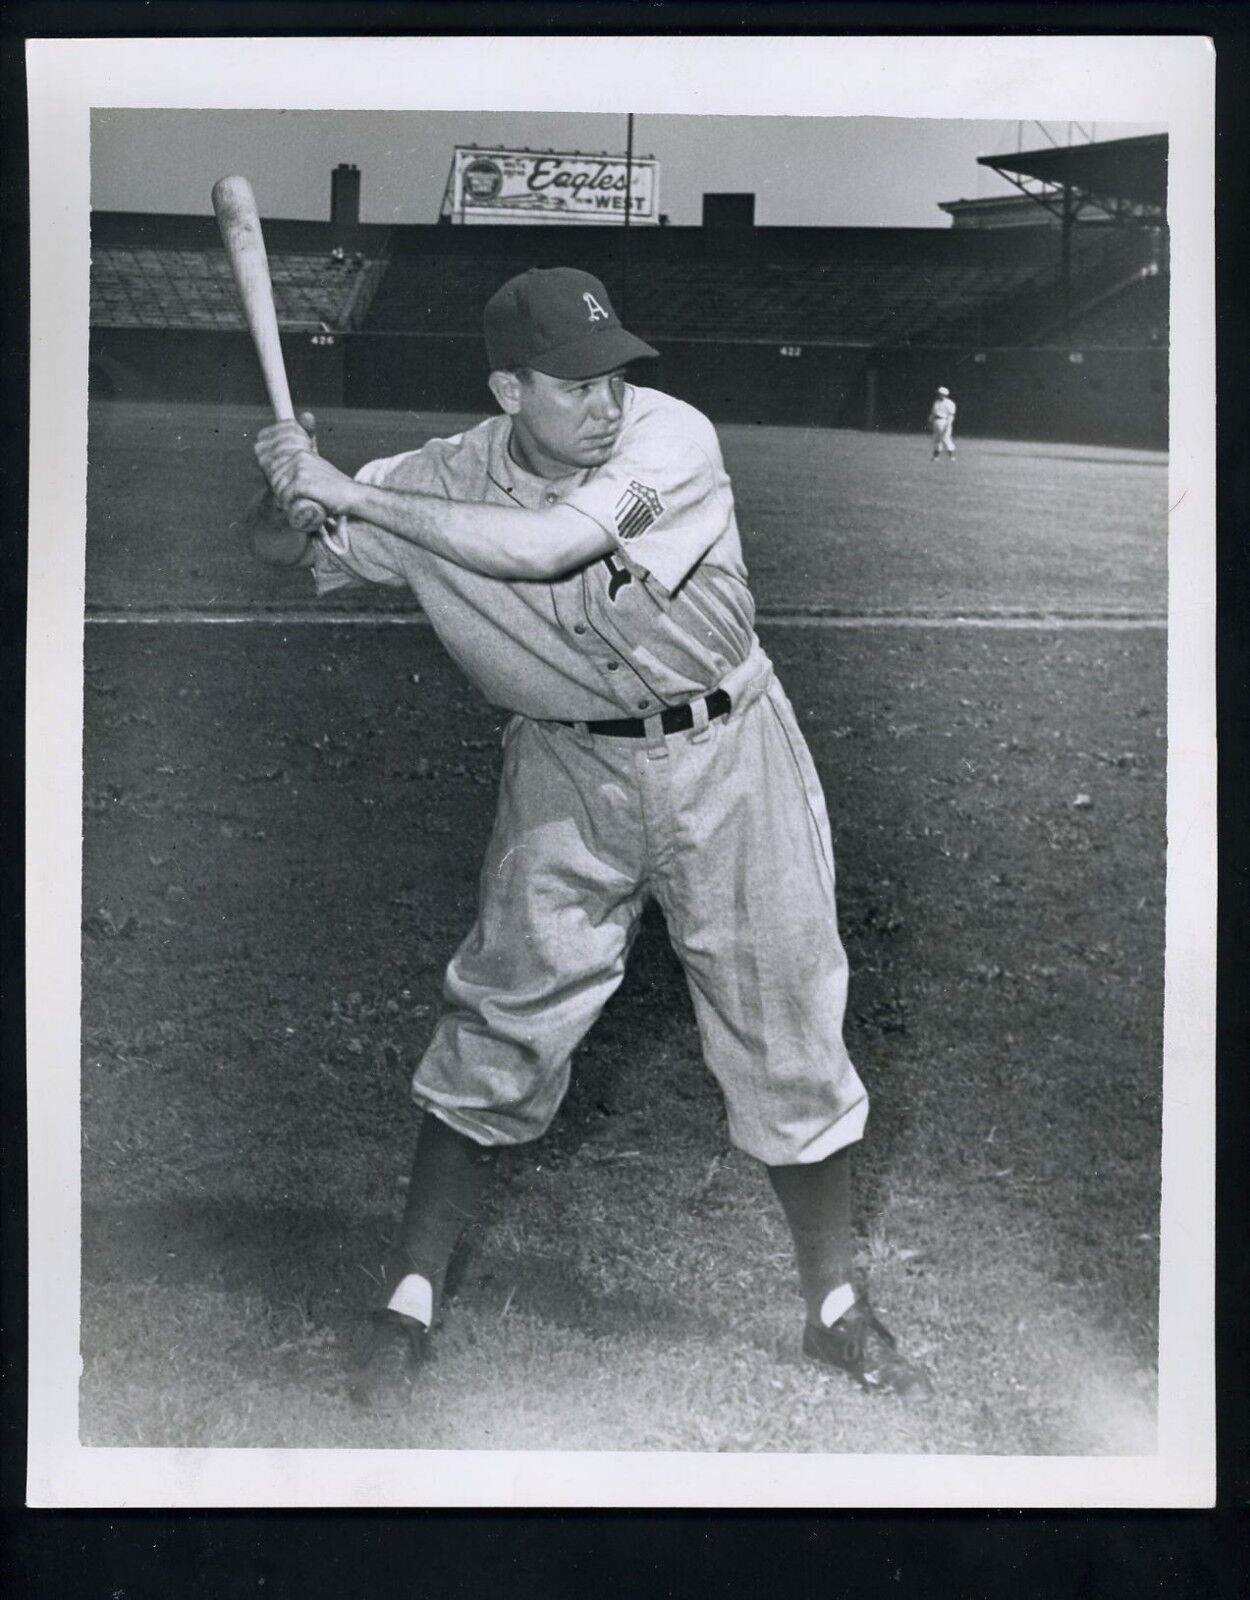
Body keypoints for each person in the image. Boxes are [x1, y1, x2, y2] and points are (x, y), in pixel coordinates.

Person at [247, 266, 932, 1409]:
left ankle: (834, 1306)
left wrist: (351, 493)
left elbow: (548, 549)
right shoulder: (438, 478)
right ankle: (408, 1298)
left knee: (785, 1015)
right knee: (500, 1012)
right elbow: (290, 555)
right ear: (507, 388)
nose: (606, 400)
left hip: (728, 751)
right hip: (564, 766)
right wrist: (285, 487)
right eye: (572, 384)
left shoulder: (670, 440)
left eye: (613, 371)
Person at [928, 386, 957, 460]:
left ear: (944, 394)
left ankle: (952, 456)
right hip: (936, 421)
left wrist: (948, 424)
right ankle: (935, 456)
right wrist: (930, 421)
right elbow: (933, 413)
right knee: (937, 439)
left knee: (946, 438)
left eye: (940, 393)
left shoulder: (950, 403)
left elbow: (951, 415)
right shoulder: (936, 402)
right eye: (938, 393)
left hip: (944, 421)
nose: (939, 395)